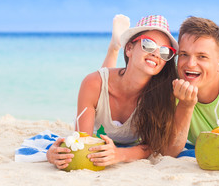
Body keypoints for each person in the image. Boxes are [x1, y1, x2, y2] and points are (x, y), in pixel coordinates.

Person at [101, 15, 219, 170]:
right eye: (184, 54)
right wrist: (186, 105)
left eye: (202, 57)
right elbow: (170, 150)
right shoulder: (171, 83)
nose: (190, 64)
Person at [46, 15, 198, 170]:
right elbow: (82, 142)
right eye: (148, 44)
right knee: (101, 80)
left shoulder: (163, 94)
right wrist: (53, 154)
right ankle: (114, 48)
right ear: (129, 48)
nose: (156, 53)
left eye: (165, 51)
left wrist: (119, 154)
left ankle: (115, 46)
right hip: (100, 111)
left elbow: (153, 146)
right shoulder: (92, 83)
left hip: (129, 137)